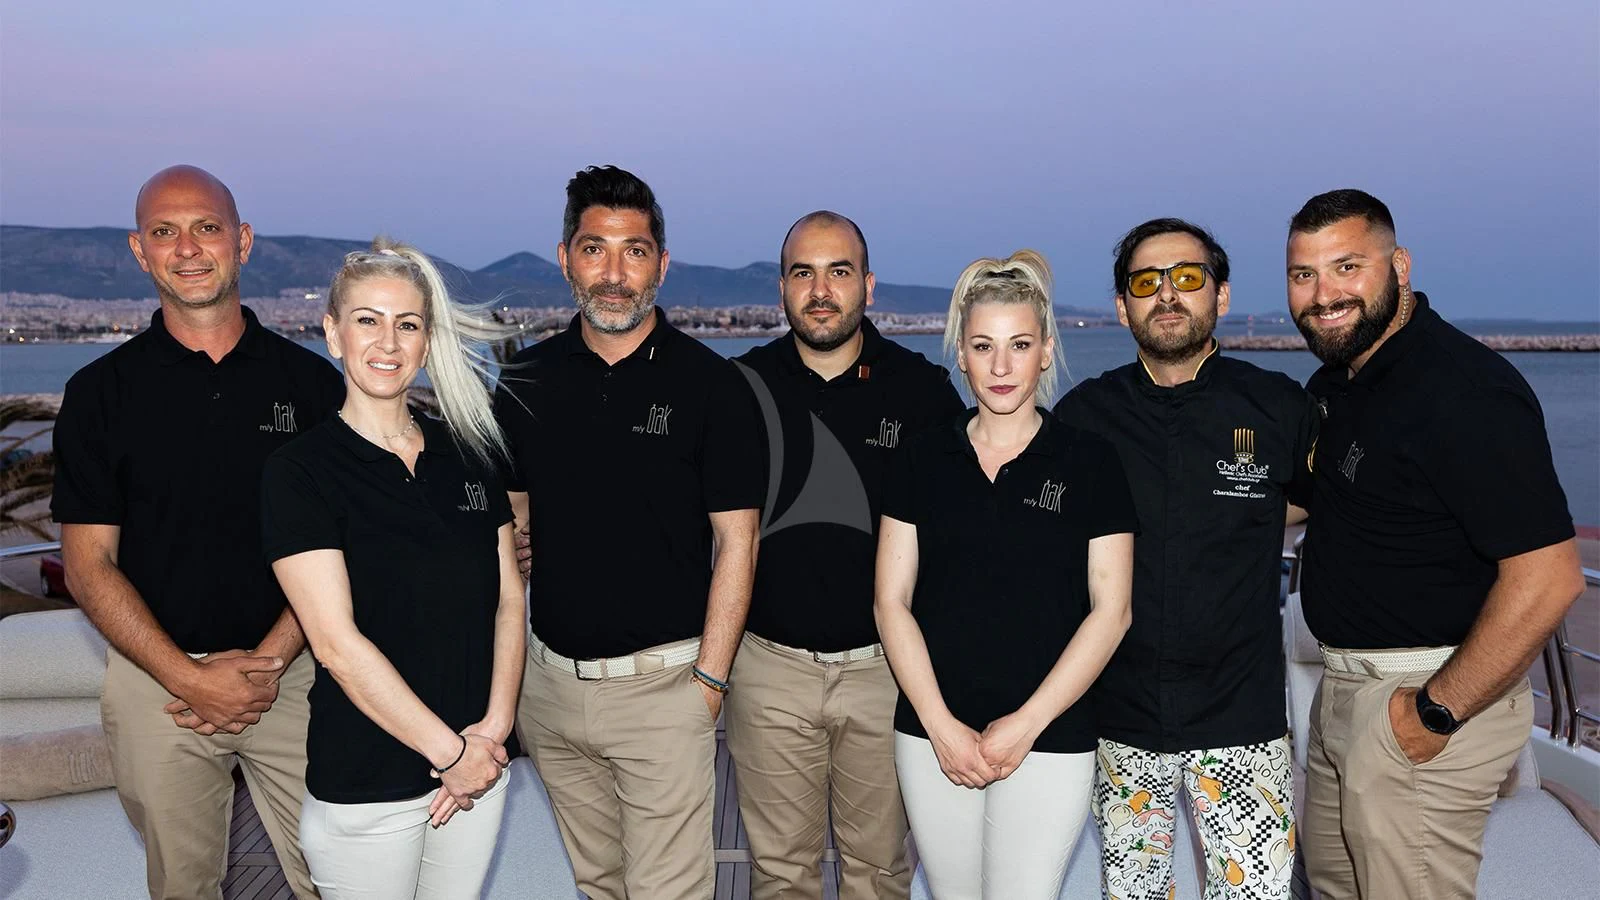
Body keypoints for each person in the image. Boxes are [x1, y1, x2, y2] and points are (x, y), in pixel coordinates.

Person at [51, 165, 342, 899]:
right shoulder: (98, 395)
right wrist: (188, 678)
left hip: (300, 675)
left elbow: (342, 544)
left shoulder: (313, 386)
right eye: (165, 232)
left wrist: (269, 663)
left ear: (241, 241)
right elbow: (88, 565)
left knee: (338, 880)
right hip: (158, 686)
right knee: (183, 887)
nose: (188, 247)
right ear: (138, 251)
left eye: (207, 227)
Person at [1286, 189, 1584, 900]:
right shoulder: (1340, 381)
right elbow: (1320, 497)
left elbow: (1549, 577)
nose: (1325, 295)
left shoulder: (1464, 391)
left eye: (1348, 267)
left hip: (1422, 695)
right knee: (1334, 887)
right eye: (1305, 275)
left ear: (1400, 266)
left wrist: (1432, 714)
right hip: (1343, 692)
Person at [493, 165, 763, 900]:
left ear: (662, 265)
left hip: (665, 691)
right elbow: (512, 520)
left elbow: (738, 545)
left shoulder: (714, 386)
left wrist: (707, 683)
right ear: (565, 257)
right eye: (594, 249)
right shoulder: (525, 380)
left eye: (634, 252)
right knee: (599, 887)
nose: (614, 274)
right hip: (548, 693)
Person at [1054, 218, 1316, 899]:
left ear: (1220, 296)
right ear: (1123, 307)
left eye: (1187, 278)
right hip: (1121, 722)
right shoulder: (1084, 418)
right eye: (1146, 282)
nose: (1167, 295)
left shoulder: (1277, 406)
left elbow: (1321, 503)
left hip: (1243, 721)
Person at [259, 239, 525, 898]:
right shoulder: (300, 475)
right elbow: (337, 646)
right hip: (368, 789)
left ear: (427, 340)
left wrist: (491, 734)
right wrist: (451, 756)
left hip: (479, 770)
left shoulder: (469, 455)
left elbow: (509, 603)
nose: (388, 340)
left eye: (407, 323)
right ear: (333, 334)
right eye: (367, 320)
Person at [874, 249, 1138, 899]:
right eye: (983, 346)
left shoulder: (1090, 461)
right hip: (934, 735)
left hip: (1051, 735)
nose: (1000, 366)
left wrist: (1025, 724)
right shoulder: (921, 458)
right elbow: (890, 601)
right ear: (958, 354)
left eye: (1019, 345)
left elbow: (1113, 610)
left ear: (1046, 350)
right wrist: (939, 726)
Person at [726, 211, 963, 899]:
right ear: (782, 288)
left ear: (868, 284)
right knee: (780, 875)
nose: (821, 289)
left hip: (885, 674)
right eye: (804, 272)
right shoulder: (740, 388)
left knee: (879, 872)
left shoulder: (921, 392)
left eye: (839, 271)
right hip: (768, 672)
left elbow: (967, 527)